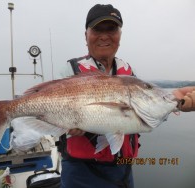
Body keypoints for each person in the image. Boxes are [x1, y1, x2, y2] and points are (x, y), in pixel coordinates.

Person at [58, 4, 195, 188]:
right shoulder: (70, 71)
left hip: (123, 171)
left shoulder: (130, 73)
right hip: (80, 173)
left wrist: (176, 102)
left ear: (120, 35)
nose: (104, 35)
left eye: (111, 29)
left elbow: (143, 112)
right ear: (86, 35)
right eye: (97, 29)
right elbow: (54, 110)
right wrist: (63, 125)